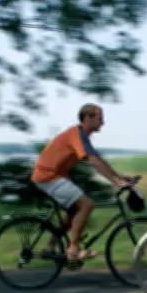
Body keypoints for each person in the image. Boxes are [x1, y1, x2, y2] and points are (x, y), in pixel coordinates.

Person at [32, 104, 132, 261]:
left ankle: (50, 247)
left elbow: (97, 158)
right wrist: (115, 181)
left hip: (54, 177)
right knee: (86, 205)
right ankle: (73, 250)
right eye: (100, 118)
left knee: (74, 212)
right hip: (48, 177)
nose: (103, 123)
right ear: (88, 118)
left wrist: (119, 177)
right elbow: (92, 160)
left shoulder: (81, 135)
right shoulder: (77, 135)